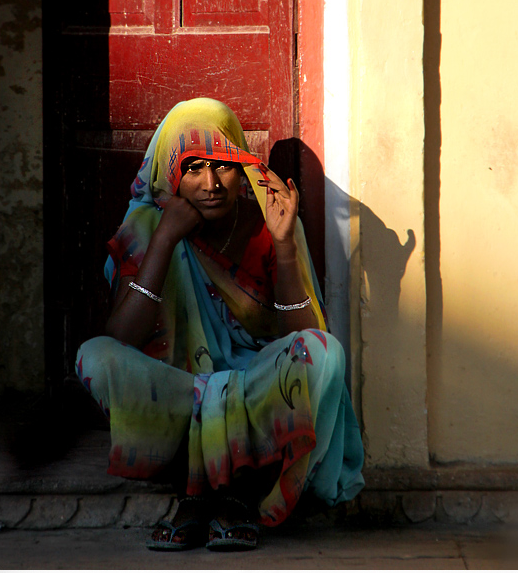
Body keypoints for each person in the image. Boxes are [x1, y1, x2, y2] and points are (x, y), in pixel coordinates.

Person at [76, 97, 364, 551]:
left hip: (256, 389)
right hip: (179, 388)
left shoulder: (267, 222)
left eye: (223, 166)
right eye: (193, 169)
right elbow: (123, 339)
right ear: (170, 174)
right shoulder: (149, 227)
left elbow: (306, 335)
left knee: (326, 354)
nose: (211, 184)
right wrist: (167, 238)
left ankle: (210, 496)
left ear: (240, 170)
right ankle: (215, 493)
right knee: (94, 356)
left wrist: (285, 245)